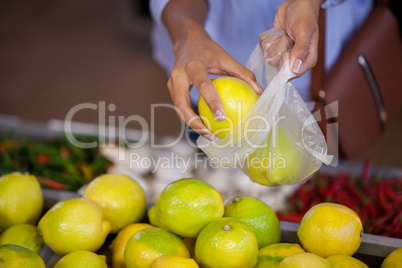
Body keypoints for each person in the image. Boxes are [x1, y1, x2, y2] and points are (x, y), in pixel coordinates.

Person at [150, 0, 373, 141]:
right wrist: (188, 33)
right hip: (205, 71)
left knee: (323, 174)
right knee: (213, 175)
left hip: (323, 73)